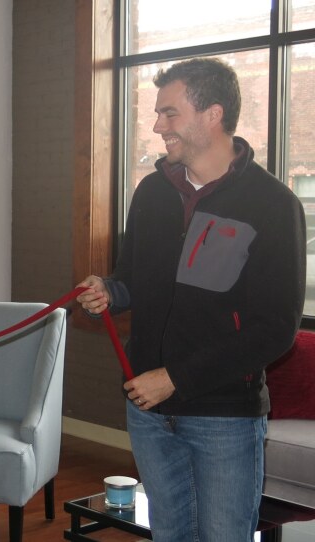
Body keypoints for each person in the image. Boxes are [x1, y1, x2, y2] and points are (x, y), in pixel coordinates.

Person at [76, 58, 305, 541]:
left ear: (212, 114)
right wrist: (109, 292)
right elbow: (132, 278)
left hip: (223, 416)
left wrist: (175, 379)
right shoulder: (152, 192)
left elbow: (275, 329)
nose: (157, 126)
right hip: (148, 413)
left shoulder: (274, 204)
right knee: (170, 535)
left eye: (169, 113)